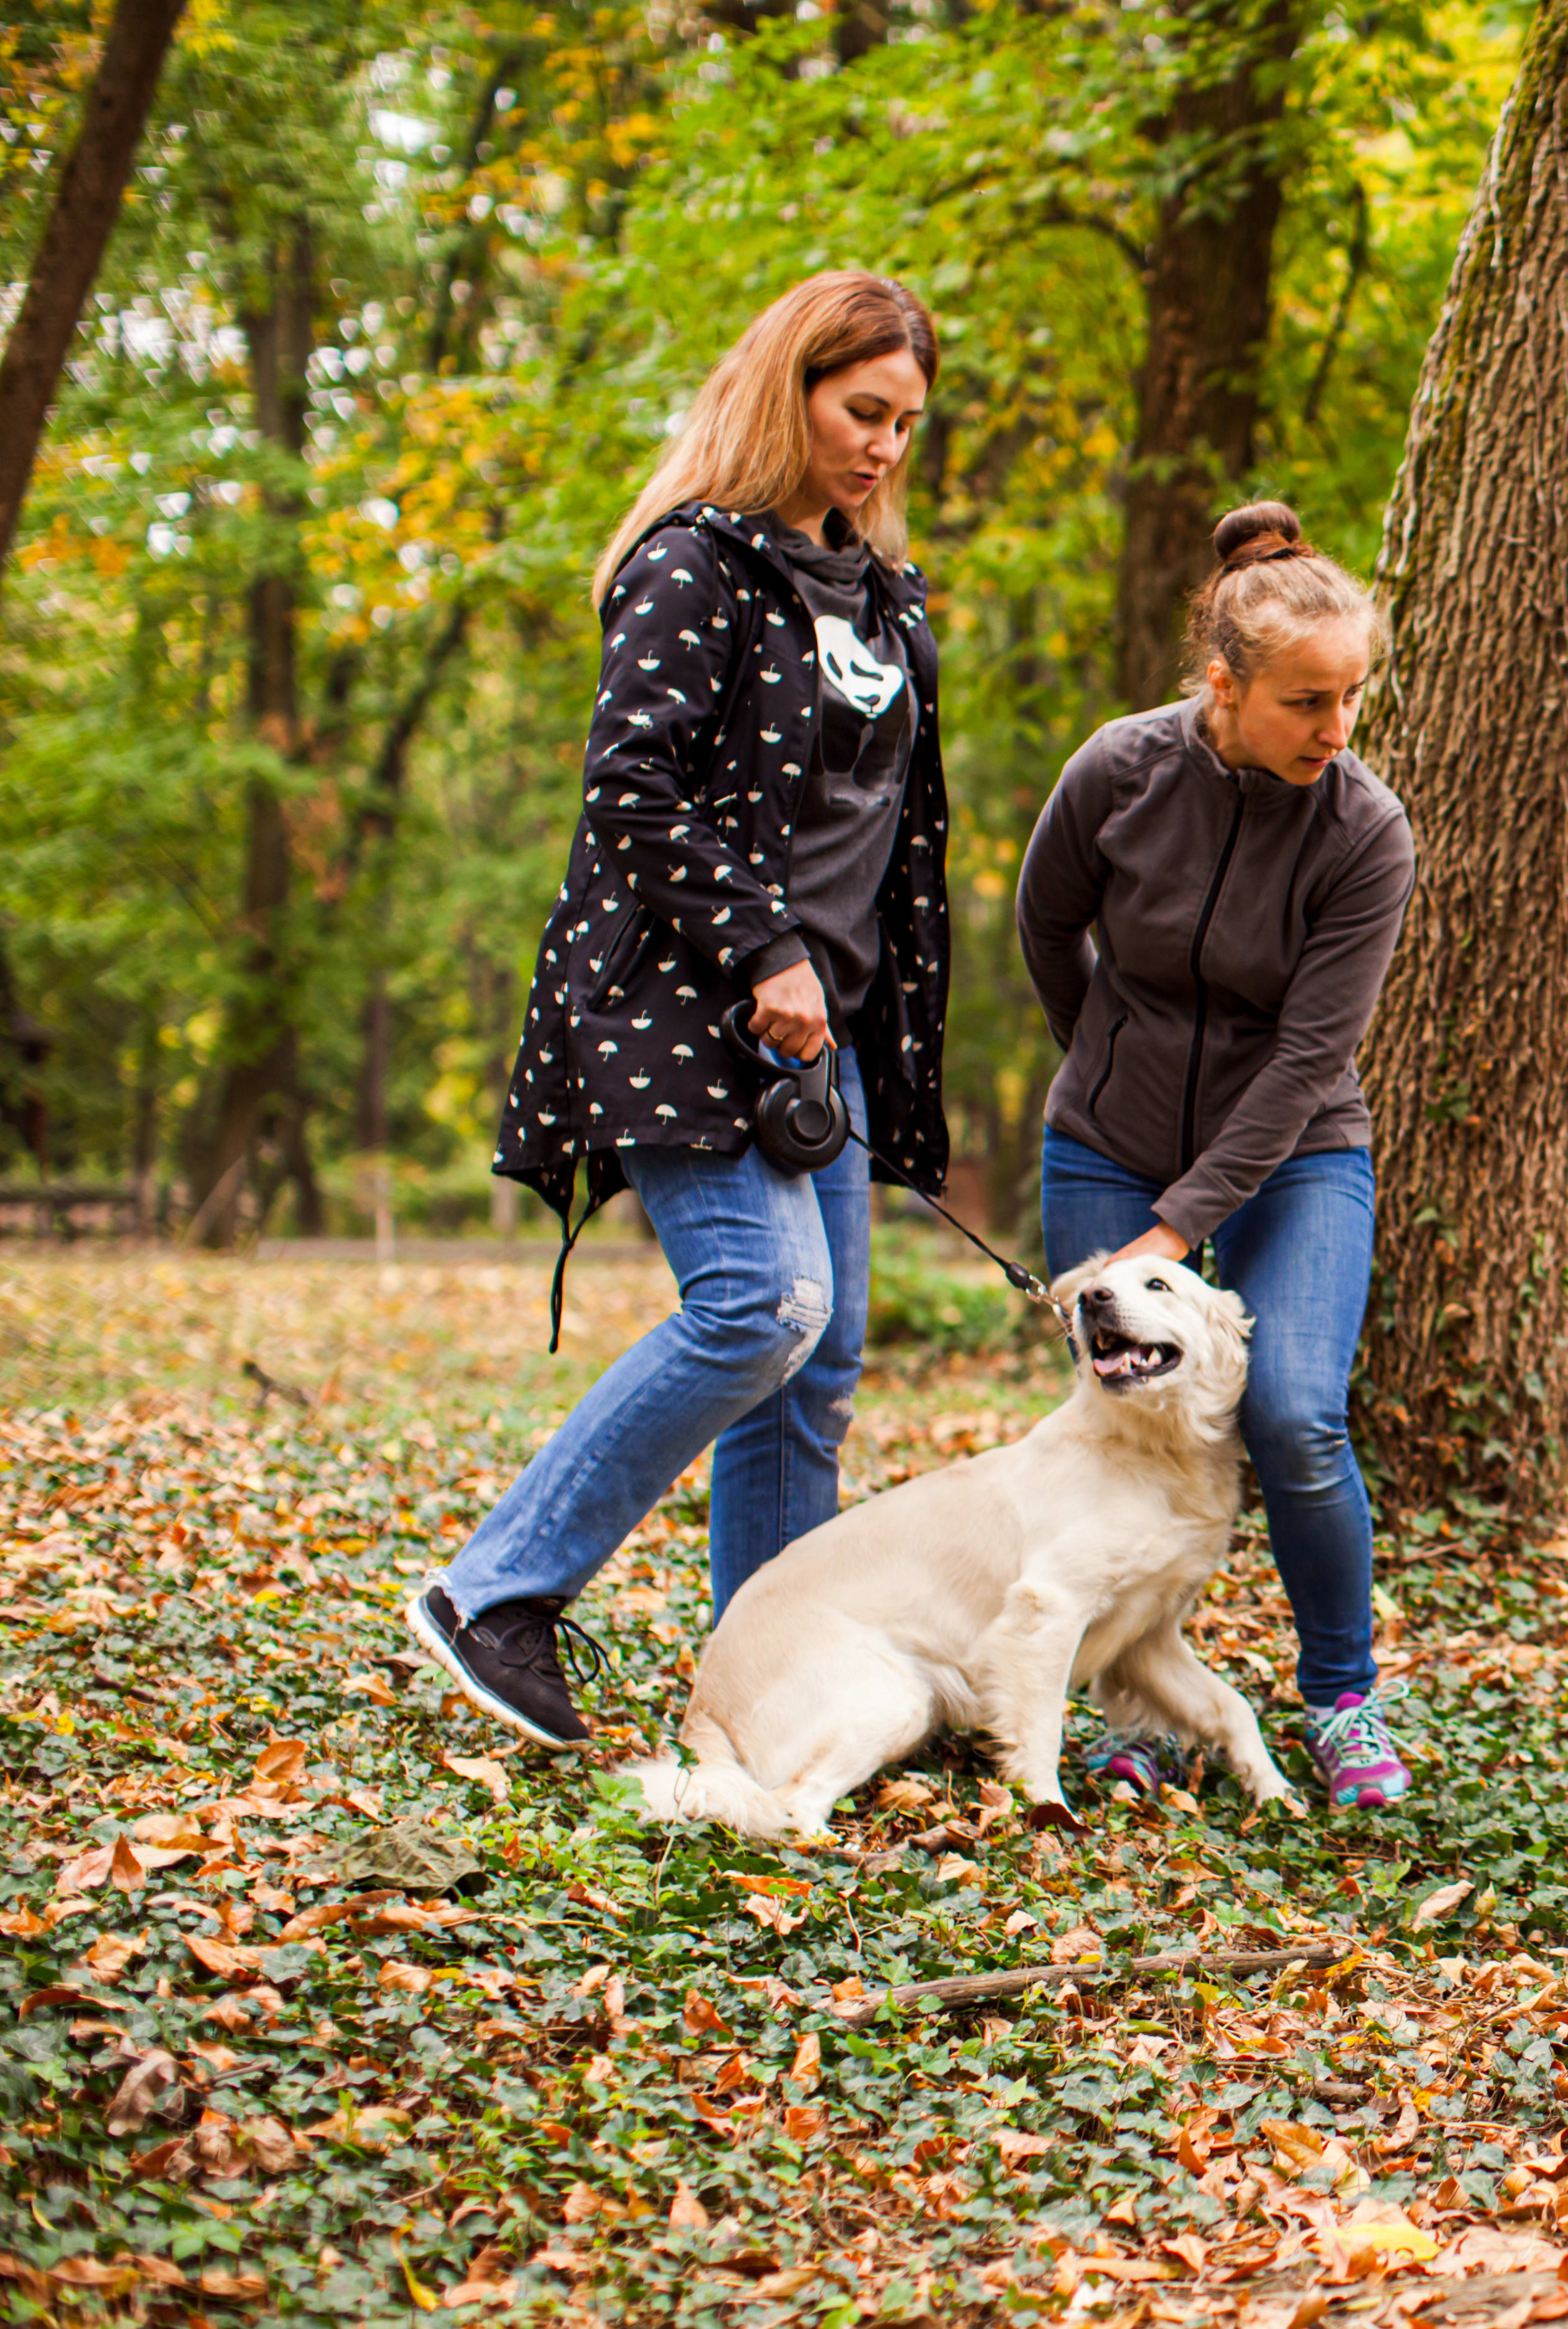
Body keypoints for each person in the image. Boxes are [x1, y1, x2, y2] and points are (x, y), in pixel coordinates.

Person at [407, 272, 953, 1750]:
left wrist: (882, 1053)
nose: (885, 448)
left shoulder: (885, 601)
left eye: (906, 421)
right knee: (759, 1309)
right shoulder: (693, 566)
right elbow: (630, 791)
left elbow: (898, 852)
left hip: (811, 1040)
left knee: (813, 1370)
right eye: (861, 412)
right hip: (680, 1009)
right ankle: (496, 1591)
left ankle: (764, 1687)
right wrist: (768, 947)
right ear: (789, 390)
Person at [1017, 502, 1416, 1812]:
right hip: (1109, 1145)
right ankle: (1137, 1703)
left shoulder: (1364, 830)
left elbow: (1309, 1057)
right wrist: (1109, 1066)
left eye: (1353, 696)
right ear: (1224, 688)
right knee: (1124, 1421)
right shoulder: (1117, 773)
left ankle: (1342, 1702)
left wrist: (1175, 1228)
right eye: (1308, 701)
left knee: (1295, 1413)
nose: (1336, 729)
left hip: (1298, 1149)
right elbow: (1045, 922)